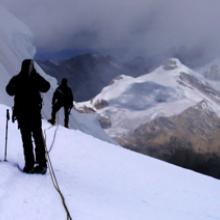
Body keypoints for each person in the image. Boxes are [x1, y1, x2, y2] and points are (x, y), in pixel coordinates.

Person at [6, 59, 50, 174]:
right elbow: (46, 86)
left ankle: (29, 165)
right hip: (34, 113)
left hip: (22, 114)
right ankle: (42, 164)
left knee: (26, 139)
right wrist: (36, 76)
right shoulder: (35, 78)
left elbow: (9, 91)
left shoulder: (17, 79)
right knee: (38, 138)